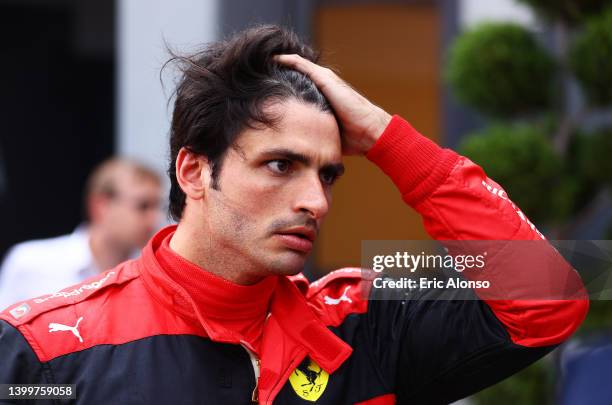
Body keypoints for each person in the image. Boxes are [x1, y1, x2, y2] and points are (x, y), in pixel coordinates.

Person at [0, 25, 588, 404]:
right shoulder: (43, 351)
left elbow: (547, 302)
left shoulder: (361, 325)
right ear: (193, 171)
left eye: (327, 173)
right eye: (281, 165)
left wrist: (389, 140)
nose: (317, 201)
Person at [0, 158, 163, 311]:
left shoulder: (154, 275)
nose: (154, 219)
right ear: (101, 206)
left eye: (158, 207)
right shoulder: (30, 262)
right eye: (143, 206)